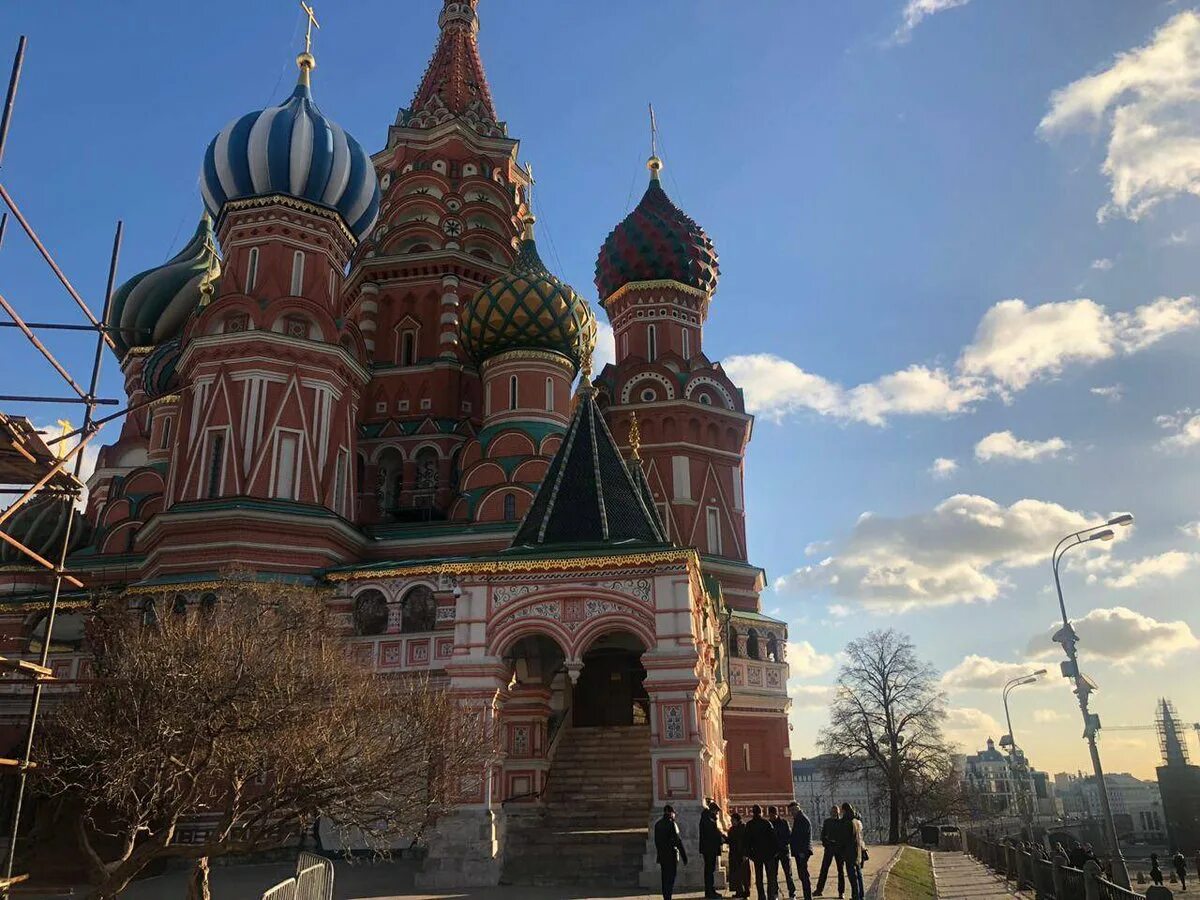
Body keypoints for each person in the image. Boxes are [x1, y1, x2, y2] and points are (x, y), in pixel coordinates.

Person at [654, 804, 688, 900]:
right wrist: (684, 856)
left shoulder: (658, 824)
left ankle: (666, 897)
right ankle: (668, 896)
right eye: (674, 813)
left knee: (664, 877)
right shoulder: (672, 824)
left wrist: (659, 853)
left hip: (662, 855)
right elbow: (678, 841)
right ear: (671, 813)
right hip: (671, 855)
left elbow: (656, 842)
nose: (674, 815)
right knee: (671, 877)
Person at [747, 805, 779, 900]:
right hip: (769, 855)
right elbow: (774, 839)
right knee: (771, 877)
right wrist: (775, 852)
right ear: (761, 812)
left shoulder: (749, 824)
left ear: (753, 812)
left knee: (759, 877)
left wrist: (750, 855)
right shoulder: (767, 823)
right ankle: (771, 896)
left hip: (756, 855)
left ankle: (761, 896)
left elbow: (746, 841)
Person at [814, 804, 845, 898]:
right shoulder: (827, 822)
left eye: (835, 811)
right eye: (832, 811)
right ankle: (819, 890)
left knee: (840, 870)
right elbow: (823, 834)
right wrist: (825, 843)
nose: (834, 813)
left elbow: (844, 836)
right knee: (824, 869)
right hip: (829, 847)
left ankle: (841, 892)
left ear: (838, 812)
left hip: (839, 848)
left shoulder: (842, 822)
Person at [700, 800, 728, 899]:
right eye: (716, 812)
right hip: (709, 849)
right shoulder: (708, 819)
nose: (717, 814)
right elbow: (713, 833)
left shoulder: (708, 818)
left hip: (709, 848)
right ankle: (709, 891)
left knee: (710, 871)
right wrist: (723, 837)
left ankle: (710, 890)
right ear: (712, 810)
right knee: (709, 871)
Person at [838, 803, 865, 900]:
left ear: (844, 810)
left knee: (852, 876)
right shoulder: (857, 820)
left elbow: (844, 838)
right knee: (859, 874)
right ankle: (861, 895)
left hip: (849, 852)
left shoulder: (847, 822)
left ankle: (855, 896)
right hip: (857, 850)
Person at [788, 801, 814, 900]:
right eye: (791, 811)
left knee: (804, 875)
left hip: (802, 852)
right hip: (800, 851)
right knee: (802, 875)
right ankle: (807, 896)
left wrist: (802, 852)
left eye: (793, 810)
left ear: (797, 808)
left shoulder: (802, 819)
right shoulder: (799, 819)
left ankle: (808, 897)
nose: (792, 813)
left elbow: (802, 838)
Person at [769, 806, 796, 899]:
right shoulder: (769, 824)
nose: (771, 817)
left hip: (784, 852)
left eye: (773, 815)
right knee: (773, 875)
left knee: (788, 874)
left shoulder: (784, 823)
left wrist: (780, 847)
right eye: (770, 815)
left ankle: (792, 893)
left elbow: (789, 837)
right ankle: (775, 893)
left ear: (776, 814)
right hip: (773, 853)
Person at [728, 812, 751, 900]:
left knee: (743, 874)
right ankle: (739, 892)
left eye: (732, 820)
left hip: (741, 854)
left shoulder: (743, 828)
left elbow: (746, 842)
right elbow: (731, 840)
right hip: (734, 854)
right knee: (737, 874)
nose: (731, 821)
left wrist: (745, 854)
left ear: (737, 820)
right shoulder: (733, 829)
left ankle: (745, 892)